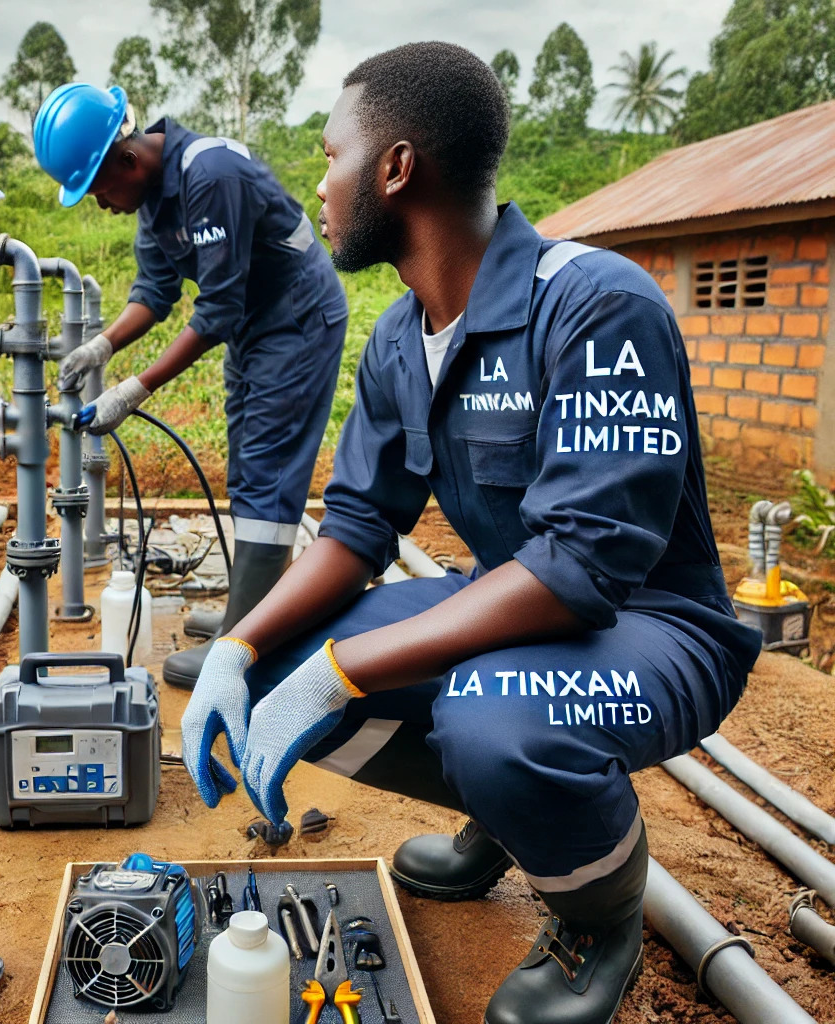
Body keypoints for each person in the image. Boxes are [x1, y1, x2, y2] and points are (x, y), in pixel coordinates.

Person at [179, 41, 762, 1024]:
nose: (319, 186)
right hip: (512, 607)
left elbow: (581, 567)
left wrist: (341, 673)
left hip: (653, 623)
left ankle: (597, 915)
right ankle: (509, 815)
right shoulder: (399, 338)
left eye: (331, 156)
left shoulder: (595, 303)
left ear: (396, 168)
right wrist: (241, 647)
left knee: (491, 719)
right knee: (280, 662)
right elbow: (358, 525)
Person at [32, 84, 348, 688]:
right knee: (247, 471)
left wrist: (135, 388)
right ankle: (249, 617)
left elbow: (218, 309)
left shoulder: (211, 174)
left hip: (298, 321)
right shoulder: (153, 198)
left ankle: (248, 648)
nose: (101, 205)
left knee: (269, 470)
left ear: (128, 160)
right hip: (253, 328)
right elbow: (155, 292)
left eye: (98, 190)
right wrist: (102, 346)